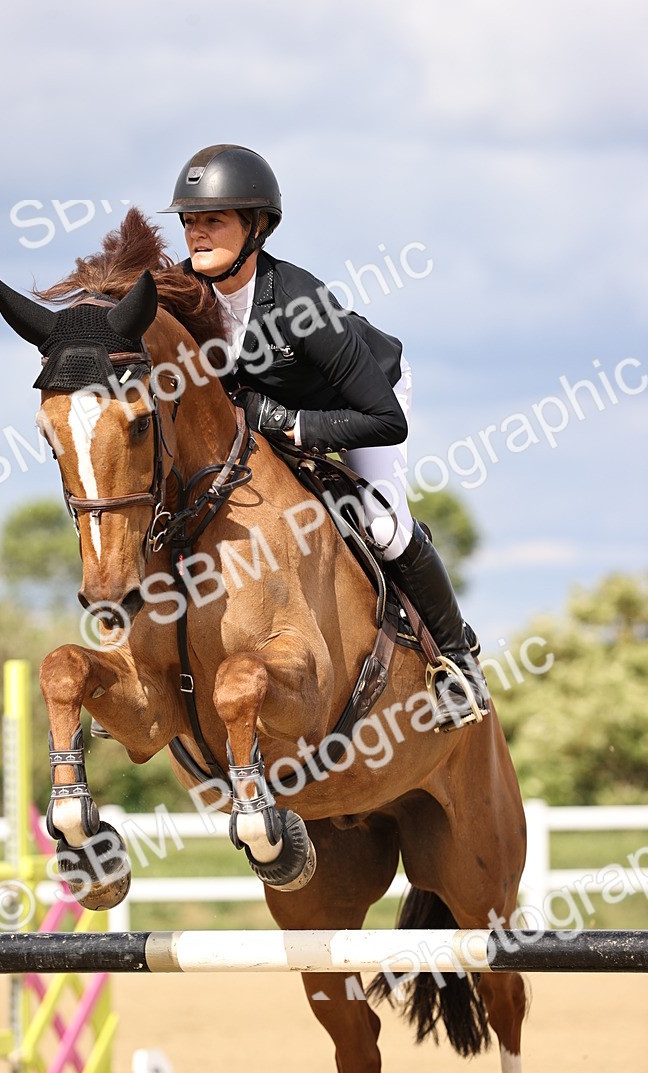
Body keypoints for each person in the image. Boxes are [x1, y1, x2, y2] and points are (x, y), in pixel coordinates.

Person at [160, 144, 487, 729]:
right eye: (189, 221)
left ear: (256, 227)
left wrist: (288, 422)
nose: (197, 234)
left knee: (384, 528)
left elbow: (387, 420)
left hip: (364, 400)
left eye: (214, 220)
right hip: (262, 423)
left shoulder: (299, 302)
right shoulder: (180, 294)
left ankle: (459, 667)